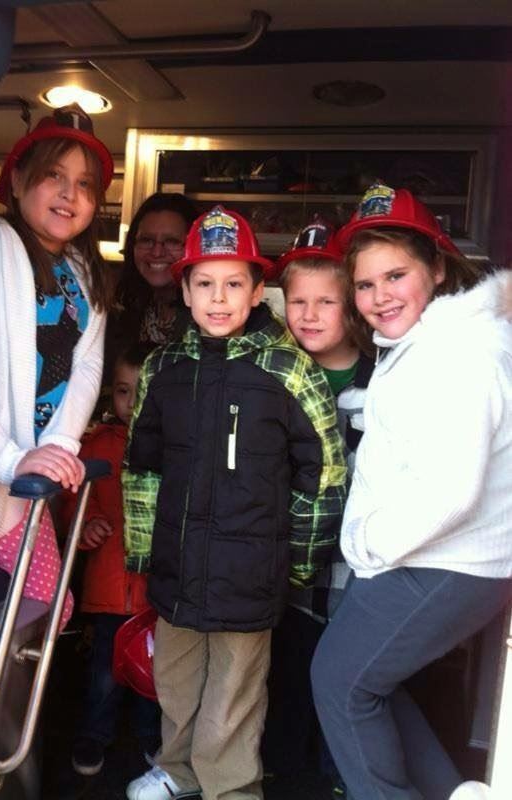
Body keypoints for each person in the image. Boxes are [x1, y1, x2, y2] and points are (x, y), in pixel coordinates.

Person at [122, 205, 347, 800]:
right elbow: (141, 467)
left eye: (233, 284)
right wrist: (143, 552)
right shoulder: (162, 369)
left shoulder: (290, 370)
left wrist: (295, 563)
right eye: (204, 284)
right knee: (174, 681)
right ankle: (176, 769)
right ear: (186, 290)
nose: (218, 298)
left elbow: (322, 476)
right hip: (176, 564)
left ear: (256, 293)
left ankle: (231, 789)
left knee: (234, 694)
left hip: (251, 574)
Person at [310, 183, 512, 800]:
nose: (379, 297)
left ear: (437, 268)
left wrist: (369, 546)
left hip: (453, 559)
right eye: (365, 285)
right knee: (367, 683)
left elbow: (453, 490)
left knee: (340, 682)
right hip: (444, 557)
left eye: (396, 275)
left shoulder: (457, 351)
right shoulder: (424, 345)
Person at [0, 104, 114, 627]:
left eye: (84, 184)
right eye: (54, 175)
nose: (69, 194)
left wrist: (57, 447)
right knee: (49, 608)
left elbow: (86, 371)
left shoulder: (82, 269)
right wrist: (9, 460)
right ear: (18, 179)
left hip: (35, 475)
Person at [261, 220, 374, 793]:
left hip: (359, 565)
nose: (308, 314)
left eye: (325, 301)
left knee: (349, 677)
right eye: (296, 300)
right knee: (288, 668)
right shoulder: (278, 377)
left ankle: (340, 775)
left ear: (352, 304)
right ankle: (284, 766)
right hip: (292, 563)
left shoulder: (383, 381)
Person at [64, 343, 160, 776]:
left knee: (153, 672)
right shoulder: (97, 445)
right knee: (103, 671)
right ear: (109, 394)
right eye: (123, 391)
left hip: (158, 591)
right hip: (108, 585)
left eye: (144, 391)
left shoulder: (176, 447)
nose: (133, 402)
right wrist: (86, 526)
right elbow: (73, 501)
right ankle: (93, 735)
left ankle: (152, 739)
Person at [111, 192, 199, 347]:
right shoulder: (126, 307)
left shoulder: (209, 316)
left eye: (172, 242)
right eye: (146, 240)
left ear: (195, 247)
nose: (157, 252)